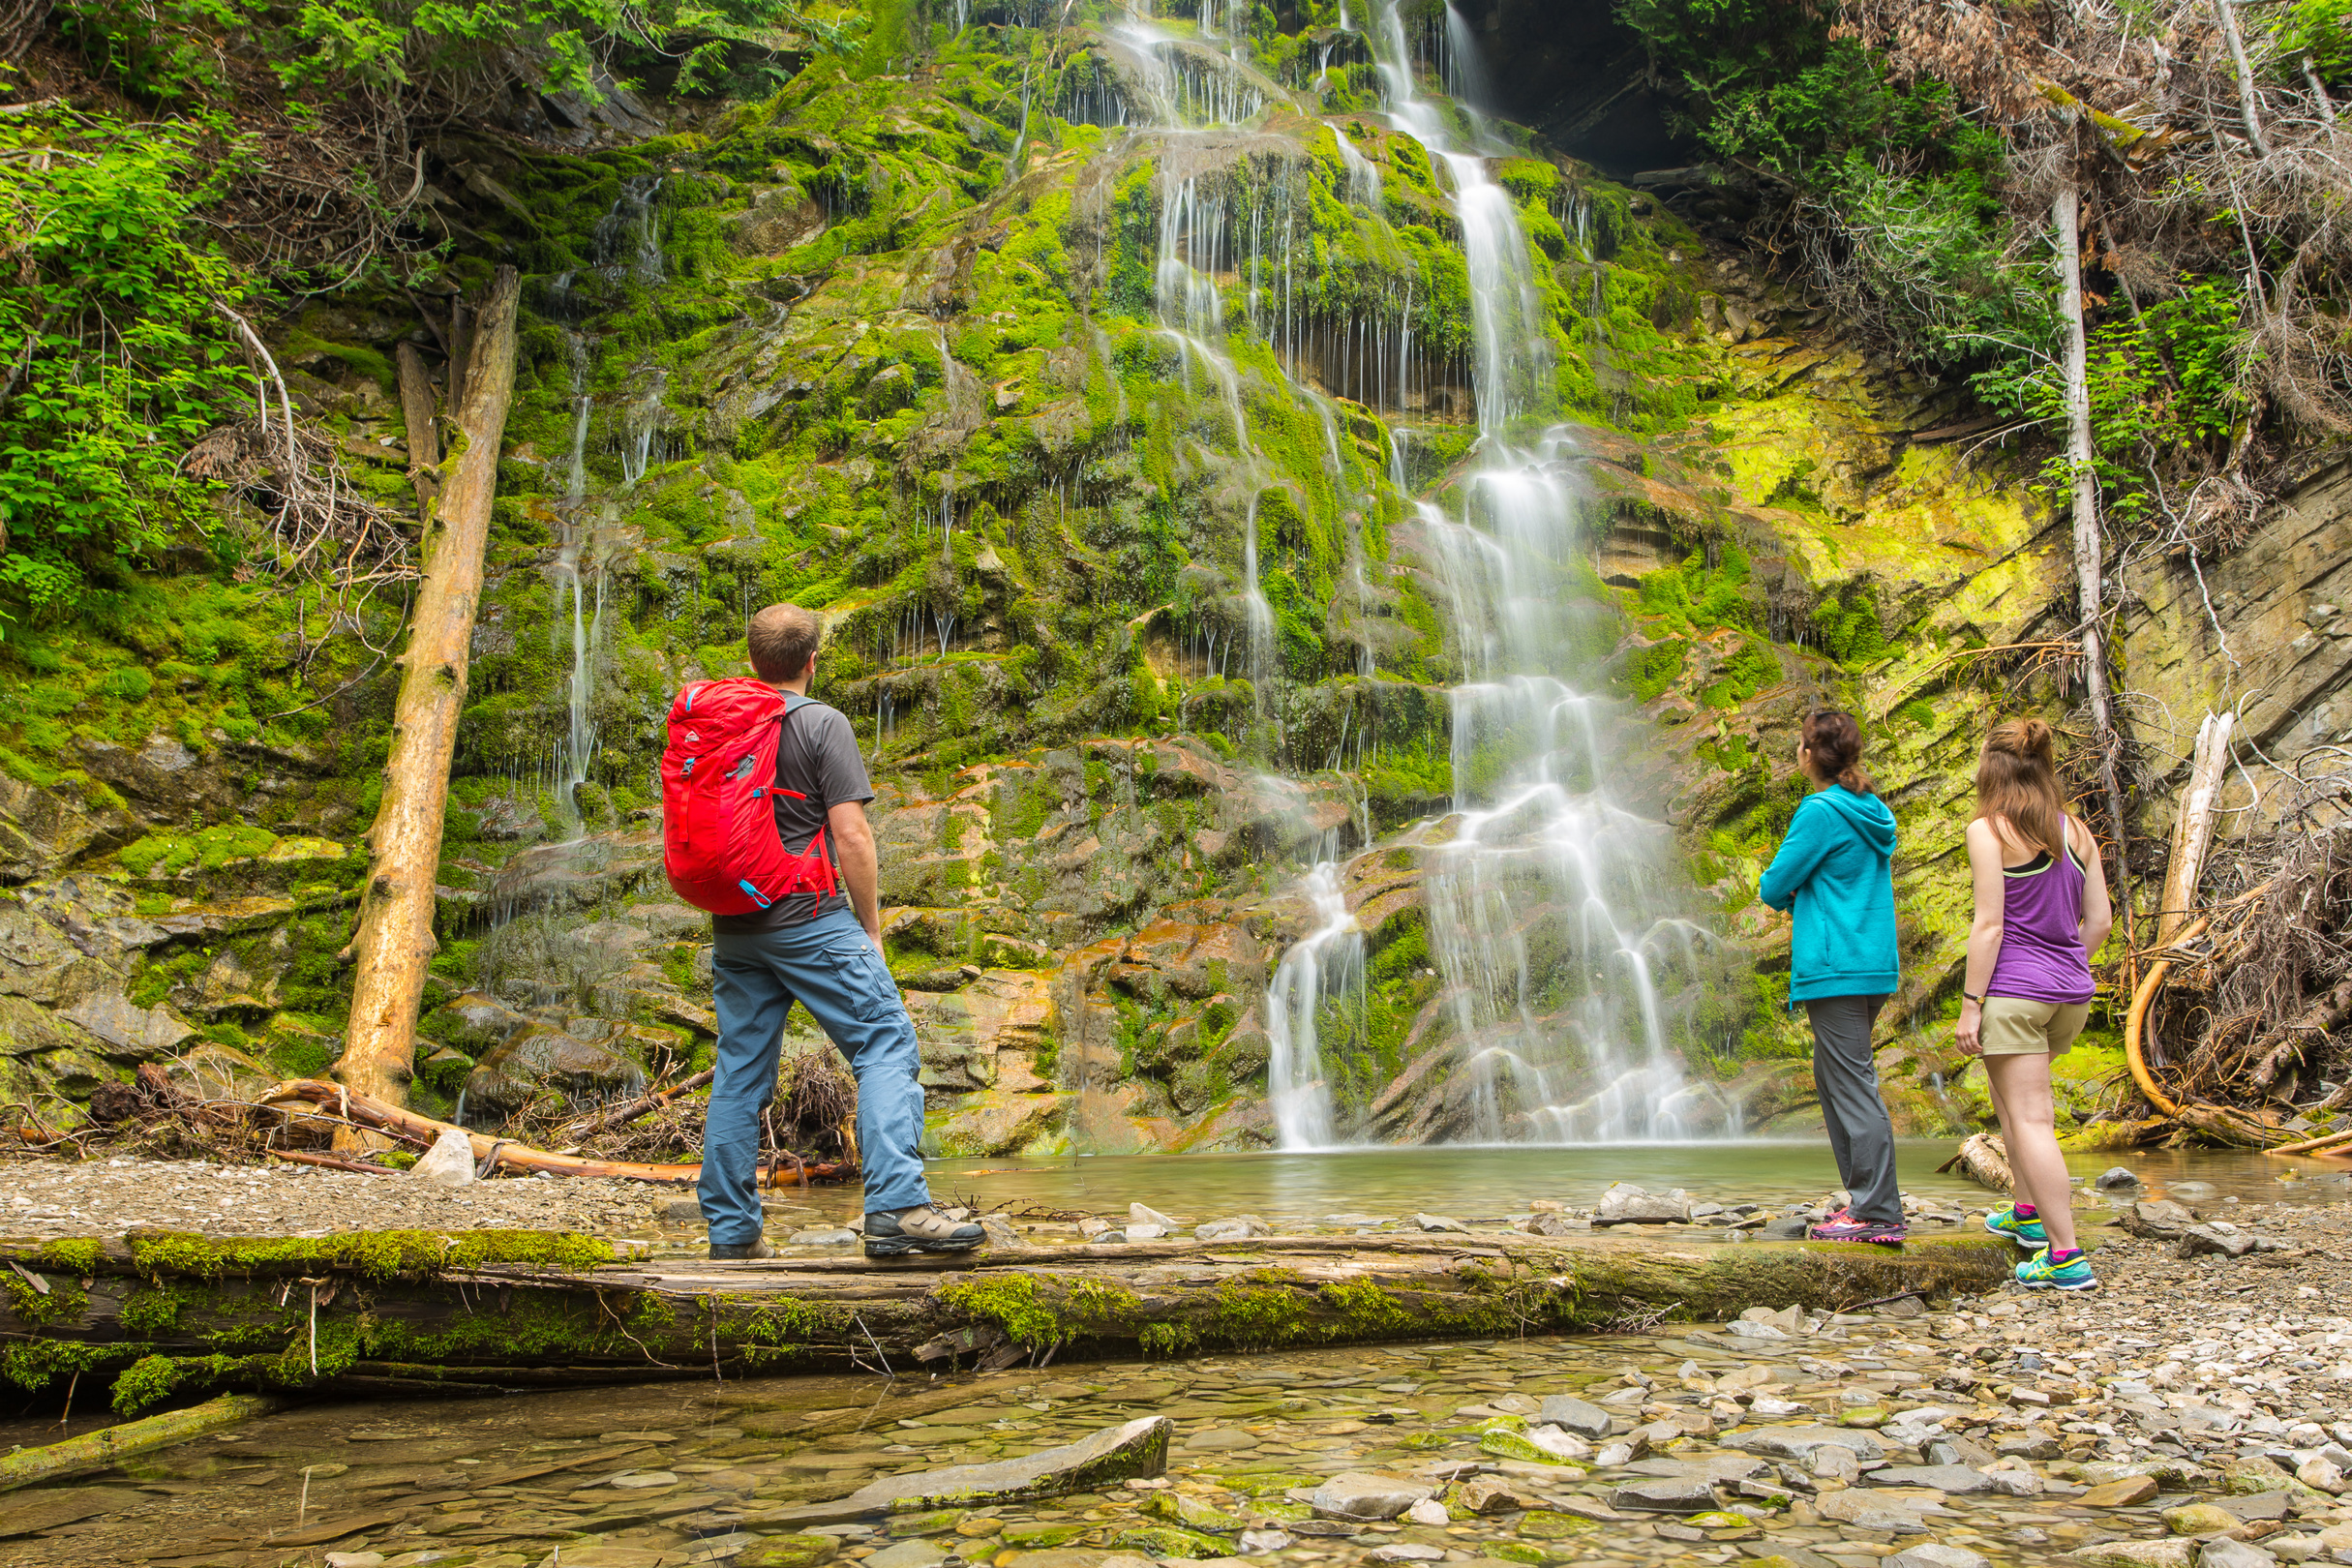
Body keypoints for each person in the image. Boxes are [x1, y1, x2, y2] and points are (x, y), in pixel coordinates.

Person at [697, 604, 982, 1261]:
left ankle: (733, 1235)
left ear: (752, 662)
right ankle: (898, 1208)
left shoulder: (716, 727)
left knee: (739, 1074)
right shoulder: (823, 724)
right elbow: (851, 835)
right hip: (809, 918)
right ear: (812, 661)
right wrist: (872, 929)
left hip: (736, 926)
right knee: (885, 1043)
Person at [1957, 718, 2111, 1290]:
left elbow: (1990, 925)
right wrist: (2064, 963)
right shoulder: (2078, 831)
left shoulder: (1988, 830)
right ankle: (2025, 1214)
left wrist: (1973, 1005)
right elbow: (2099, 922)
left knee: (2030, 1119)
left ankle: (2065, 1256)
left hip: (2015, 994)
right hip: (2070, 996)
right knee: (2012, 1104)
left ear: (1989, 769)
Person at [1759, 709, 1906, 1247]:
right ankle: (1862, 1200)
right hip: (1871, 963)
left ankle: (1878, 1212)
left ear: (1807, 755)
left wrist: (1793, 888)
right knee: (1835, 1077)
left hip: (1835, 967)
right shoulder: (1870, 807)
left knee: (1852, 1084)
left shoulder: (1819, 811)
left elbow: (1775, 886)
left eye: (1799, 744)